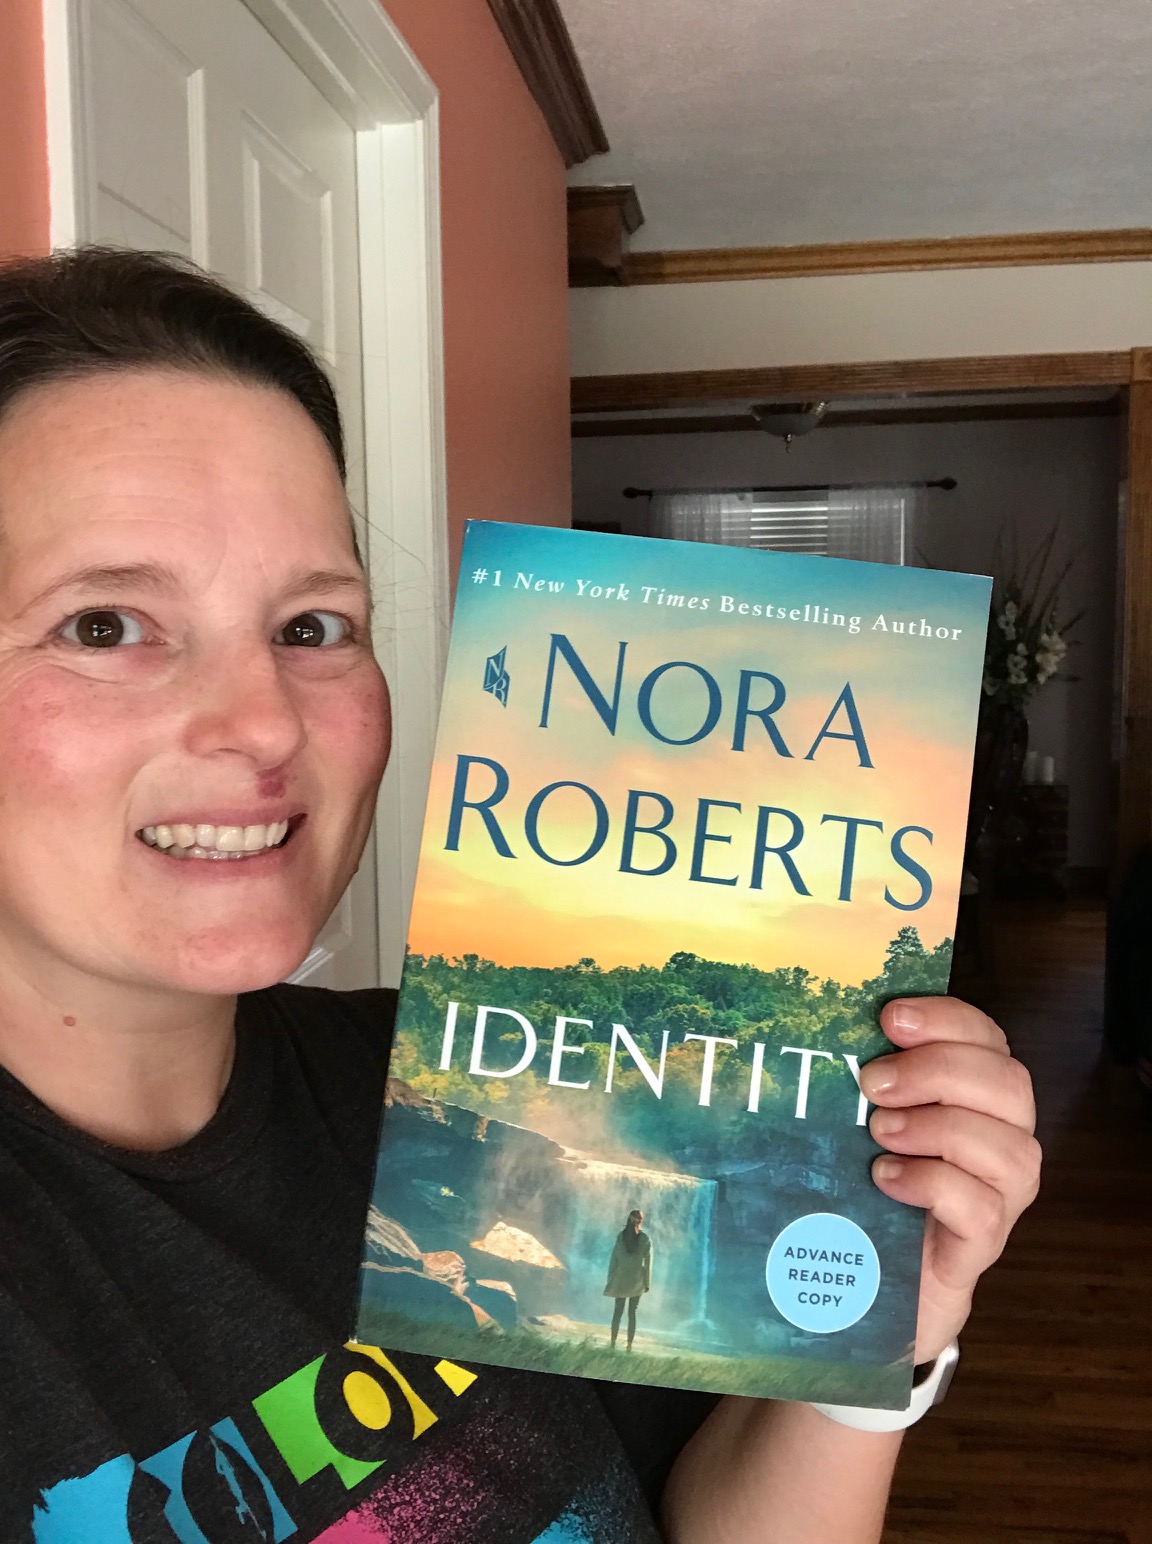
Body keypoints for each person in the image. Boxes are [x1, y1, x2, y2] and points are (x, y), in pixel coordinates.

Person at [0, 246, 1040, 1544]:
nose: (264, 721)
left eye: (312, 626)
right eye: (104, 624)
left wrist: (868, 1350)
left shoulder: (464, 1073)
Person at [605, 1208, 652, 1350]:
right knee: (632, 1312)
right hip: (637, 1281)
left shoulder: (621, 1236)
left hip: (620, 1278)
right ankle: (629, 1345)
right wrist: (647, 1283)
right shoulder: (645, 1238)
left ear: (629, 1218)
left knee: (617, 1311)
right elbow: (648, 1263)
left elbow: (614, 1258)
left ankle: (612, 1343)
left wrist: (611, 1278)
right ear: (640, 1221)